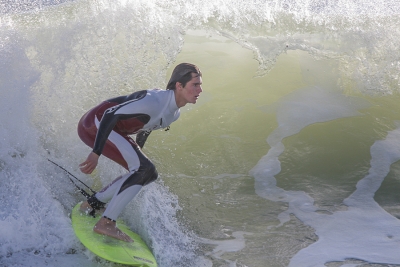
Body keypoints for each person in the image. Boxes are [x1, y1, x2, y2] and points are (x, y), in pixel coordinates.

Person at [77, 63, 203, 242]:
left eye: (200, 85)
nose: (200, 90)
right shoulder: (154, 100)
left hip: (113, 130)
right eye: (195, 85)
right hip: (94, 123)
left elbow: (147, 127)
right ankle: (106, 223)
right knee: (145, 169)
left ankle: (92, 203)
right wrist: (95, 153)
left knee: (147, 173)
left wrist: (137, 154)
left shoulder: (174, 114)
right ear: (179, 86)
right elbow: (110, 114)